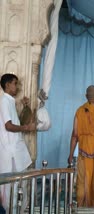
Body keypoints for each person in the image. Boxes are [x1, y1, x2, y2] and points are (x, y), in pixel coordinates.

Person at [0, 73, 36, 213]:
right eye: (15, 83)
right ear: (7, 85)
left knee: (18, 187)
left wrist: (25, 106)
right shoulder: (4, 101)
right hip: (11, 153)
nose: (17, 87)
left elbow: (17, 122)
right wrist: (26, 128)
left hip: (15, 152)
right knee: (10, 188)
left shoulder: (10, 102)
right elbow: (8, 126)